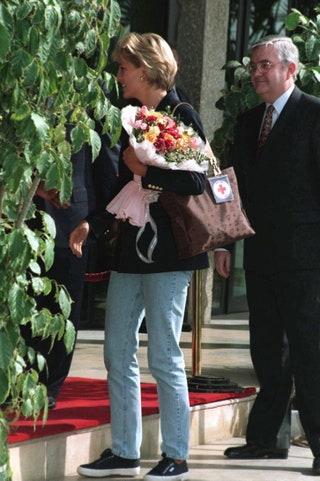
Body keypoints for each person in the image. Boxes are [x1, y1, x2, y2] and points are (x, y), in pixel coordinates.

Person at [69, 32, 209, 481]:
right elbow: (121, 185)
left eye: (123, 67)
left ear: (145, 70)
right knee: (117, 351)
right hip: (132, 251)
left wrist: (146, 171)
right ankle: (126, 452)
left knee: (164, 355)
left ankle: (177, 456)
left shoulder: (182, 114)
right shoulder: (135, 117)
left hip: (171, 255)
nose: (118, 75)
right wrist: (95, 222)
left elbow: (197, 182)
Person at [214, 35, 320, 476]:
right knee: (266, 353)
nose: (255, 73)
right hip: (258, 257)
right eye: (253, 67)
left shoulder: (314, 114)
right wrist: (222, 240)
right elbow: (232, 188)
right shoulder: (246, 122)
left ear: (289, 69)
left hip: (306, 261)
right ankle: (265, 442)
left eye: (264, 65)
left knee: (310, 355)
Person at [23, 121, 119, 409]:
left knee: (61, 311)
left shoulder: (89, 95)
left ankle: (48, 387)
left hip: (71, 221)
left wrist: (100, 221)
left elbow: (106, 163)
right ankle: (18, 380)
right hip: (19, 216)